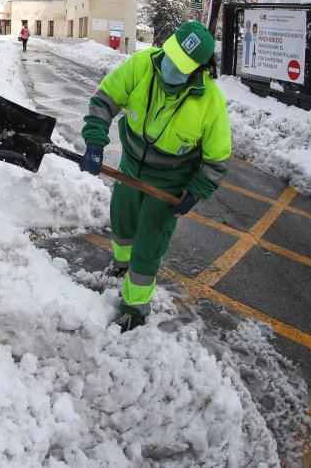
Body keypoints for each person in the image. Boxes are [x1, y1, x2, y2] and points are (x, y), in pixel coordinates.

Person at [79, 21, 232, 332]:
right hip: (130, 166)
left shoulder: (211, 102)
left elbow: (216, 158)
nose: (170, 66)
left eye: (181, 64)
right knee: (122, 222)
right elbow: (105, 99)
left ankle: (134, 308)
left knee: (149, 244)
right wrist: (95, 141)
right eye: (171, 55)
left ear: (199, 70)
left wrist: (196, 190)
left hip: (169, 182)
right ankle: (121, 266)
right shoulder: (142, 65)